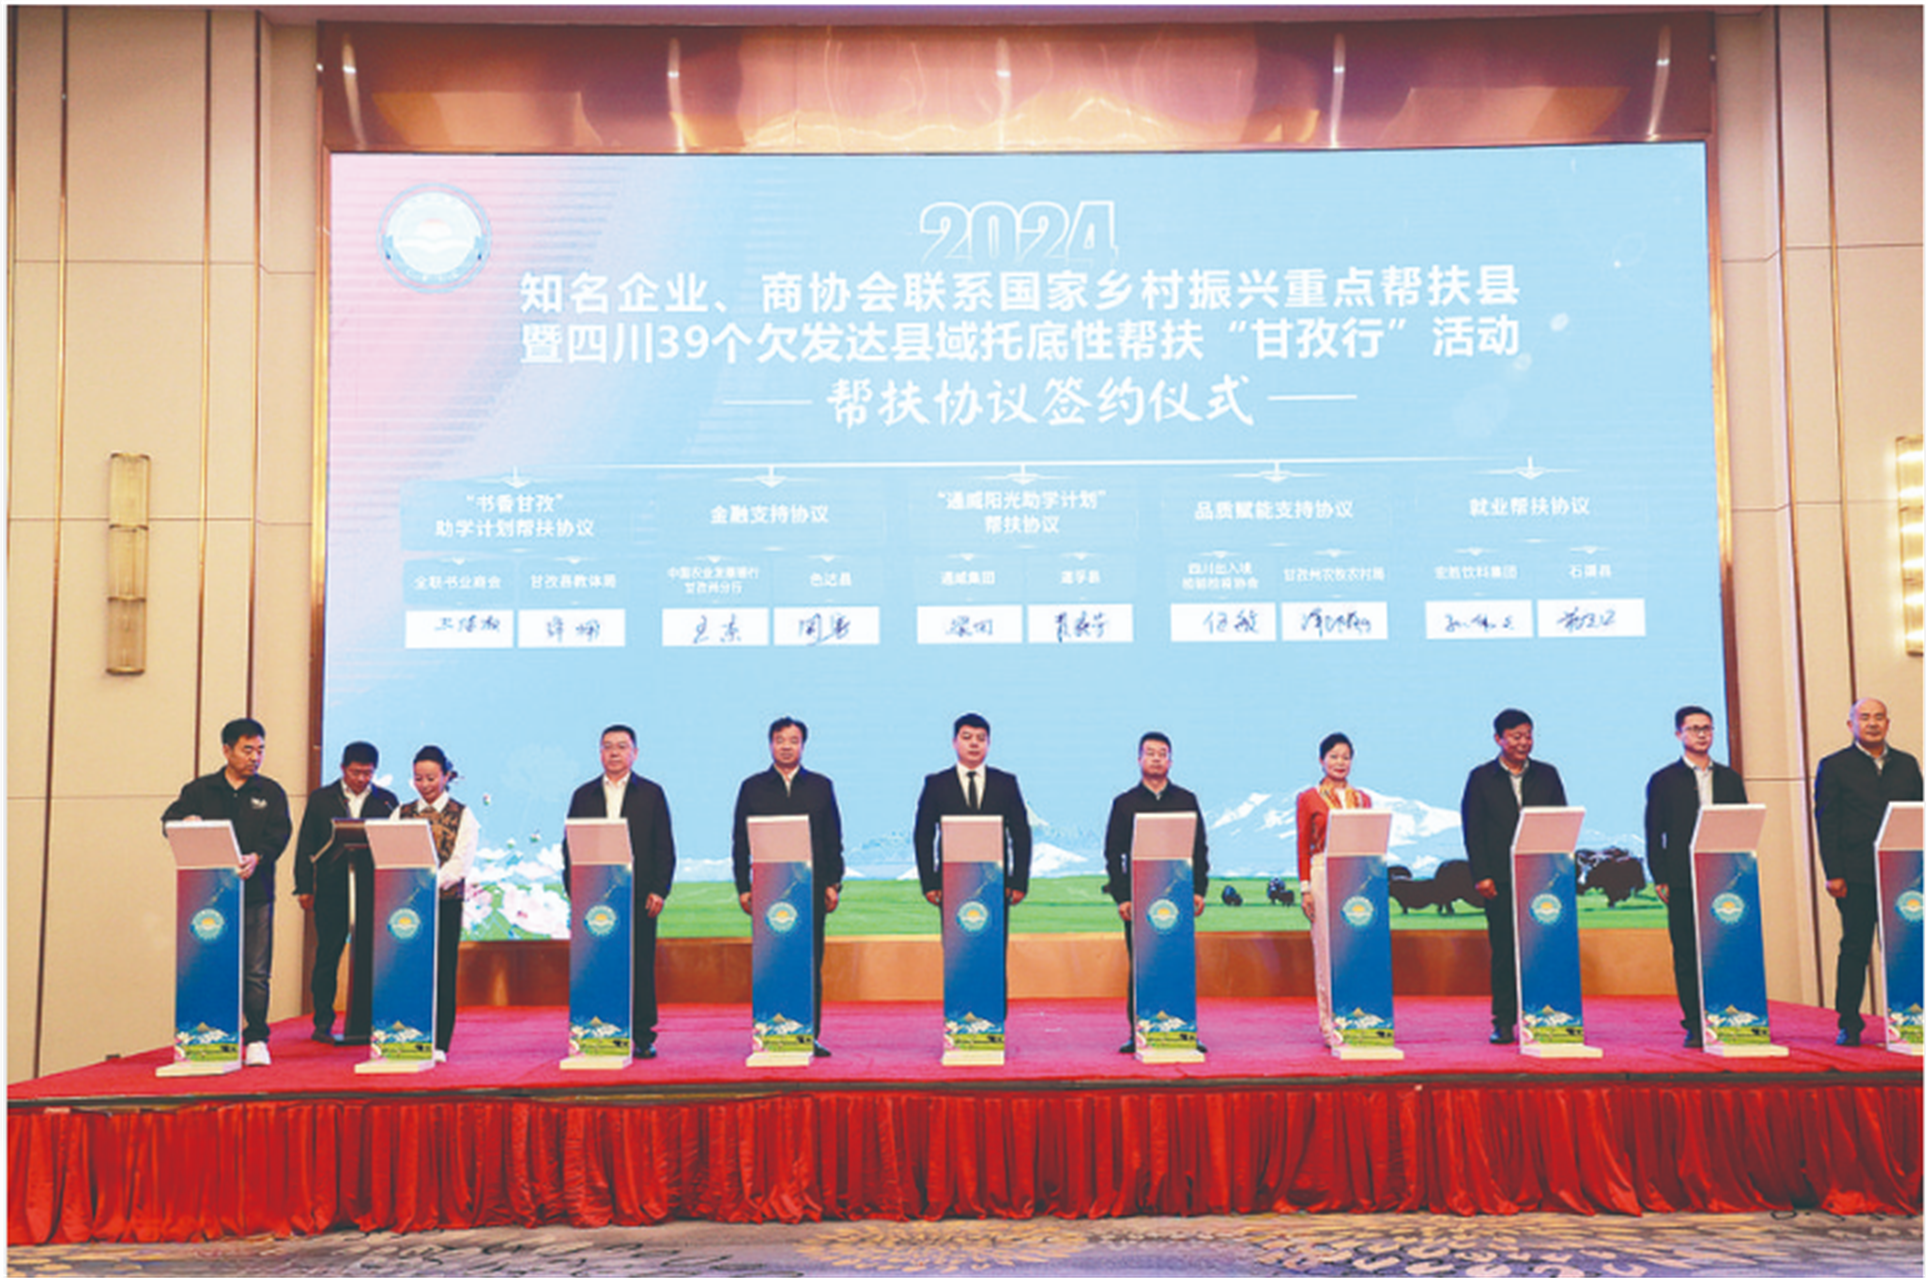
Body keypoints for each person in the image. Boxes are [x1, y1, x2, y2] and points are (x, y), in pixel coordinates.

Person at [161, 717, 292, 1067]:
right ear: (226, 750)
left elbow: (279, 835)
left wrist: (258, 856)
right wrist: (184, 822)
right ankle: (210, 1035)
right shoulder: (200, 790)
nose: (255, 757)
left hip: (255, 893)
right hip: (207, 900)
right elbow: (168, 823)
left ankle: (257, 1038)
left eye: (260, 750)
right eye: (247, 750)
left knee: (256, 971)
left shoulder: (271, 792)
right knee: (208, 967)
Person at [732, 716, 845, 1057]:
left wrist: (833, 883)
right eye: (780, 740)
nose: (786, 746)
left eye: (793, 741)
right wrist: (744, 886)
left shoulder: (821, 786)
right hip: (768, 892)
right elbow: (740, 841)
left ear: (802, 746)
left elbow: (833, 838)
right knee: (772, 962)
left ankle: (808, 1035)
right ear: (770, 744)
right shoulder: (752, 787)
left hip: (811, 889)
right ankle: (770, 1032)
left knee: (808, 962)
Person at [1814, 698, 1923, 1046]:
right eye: (1864, 717)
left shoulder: (1907, 764)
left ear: (1888, 724)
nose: (1872, 723)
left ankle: (1911, 1020)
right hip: (1855, 874)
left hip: (1904, 875)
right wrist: (1833, 872)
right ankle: (1849, 1022)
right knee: (1855, 948)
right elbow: (1826, 821)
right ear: (1851, 725)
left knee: (1907, 950)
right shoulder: (1834, 766)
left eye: (1878, 717)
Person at [563, 725, 675, 1059]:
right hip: (595, 899)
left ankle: (641, 1034)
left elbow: (664, 846)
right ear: (600, 753)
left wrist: (659, 889)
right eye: (607, 746)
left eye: (622, 746)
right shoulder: (583, 795)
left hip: (639, 896)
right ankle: (595, 1031)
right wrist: (575, 889)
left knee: (639, 965)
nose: (614, 752)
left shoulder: (651, 794)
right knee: (596, 965)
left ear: (634, 753)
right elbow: (569, 846)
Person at [1643, 706, 1749, 1047]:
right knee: (1687, 952)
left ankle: (1728, 1017)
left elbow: (1743, 826)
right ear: (1679, 734)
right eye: (1694, 729)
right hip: (1682, 879)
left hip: (1725, 881)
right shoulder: (1663, 780)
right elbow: (1653, 832)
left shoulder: (1730, 778)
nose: (1702, 734)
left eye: (1707, 728)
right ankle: (1693, 1022)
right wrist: (1660, 876)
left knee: (1726, 950)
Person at [1459, 708, 1567, 1045]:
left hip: (1542, 881)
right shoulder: (1481, 778)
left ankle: (1546, 1017)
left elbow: (1560, 823)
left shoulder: (1548, 775)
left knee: (1544, 950)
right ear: (1499, 739)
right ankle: (1504, 1021)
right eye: (1516, 736)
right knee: (1505, 951)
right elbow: (1473, 830)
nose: (1524, 742)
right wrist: (1482, 875)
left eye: (1528, 736)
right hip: (1500, 880)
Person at [1103, 731, 1208, 1052]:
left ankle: (1183, 1030)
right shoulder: (1124, 803)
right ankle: (1139, 1032)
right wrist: (1122, 897)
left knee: (1178, 963)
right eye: (1150, 753)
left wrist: (1199, 890)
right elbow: (1113, 854)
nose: (1157, 759)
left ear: (1170, 761)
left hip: (1178, 898)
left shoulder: (1186, 800)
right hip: (1139, 899)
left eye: (1162, 753)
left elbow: (1199, 848)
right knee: (1142, 964)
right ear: (1139, 759)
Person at [293, 741, 399, 1045]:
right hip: (331, 889)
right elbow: (306, 843)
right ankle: (322, 1021)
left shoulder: (387, 801)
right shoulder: (321, 799)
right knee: (327, 955)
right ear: (342, 769)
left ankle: (369, 1020)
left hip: (372, 892)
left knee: (372, 956)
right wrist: (304, 886)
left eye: (368, 773)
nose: (361, 779)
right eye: (355, 773)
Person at [393, 746, 476, 1064]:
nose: (424, 785)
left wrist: (429, 884)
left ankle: (440, 1040)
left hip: (444, 903)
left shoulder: (462, 814)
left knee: (442, 971)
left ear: (446, 776)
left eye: (430, 778)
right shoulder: (401, 812)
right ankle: (405, 1033)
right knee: (406, 970)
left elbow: (460, 862)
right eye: (418, 778)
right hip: (405, 908)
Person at [1297, 732, 1372, 1045]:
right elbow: (1303, 844)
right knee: (1327, 949)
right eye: (1334, 756)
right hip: (1322, 871)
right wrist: (1305, 889)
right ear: (1321, 760)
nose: (1340, 762)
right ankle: (1330, 1023)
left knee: (1356, 946)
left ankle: (1359, 1018)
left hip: (1357, 875)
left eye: (1346, 757)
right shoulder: (1309, 798)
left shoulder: (1363, 799)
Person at [914, 713, 1034, 910]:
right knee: (958, 929)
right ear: (954, 742)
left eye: (981, 738)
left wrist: (1018, 882)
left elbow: (1021, 836)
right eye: (967, 737)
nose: (974, 744)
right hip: (951, 882)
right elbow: (923, 836)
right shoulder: (936, 784)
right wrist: (930, 883)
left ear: (989, 743)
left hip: (997, 882)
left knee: (993, 929)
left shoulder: (1006, 783)